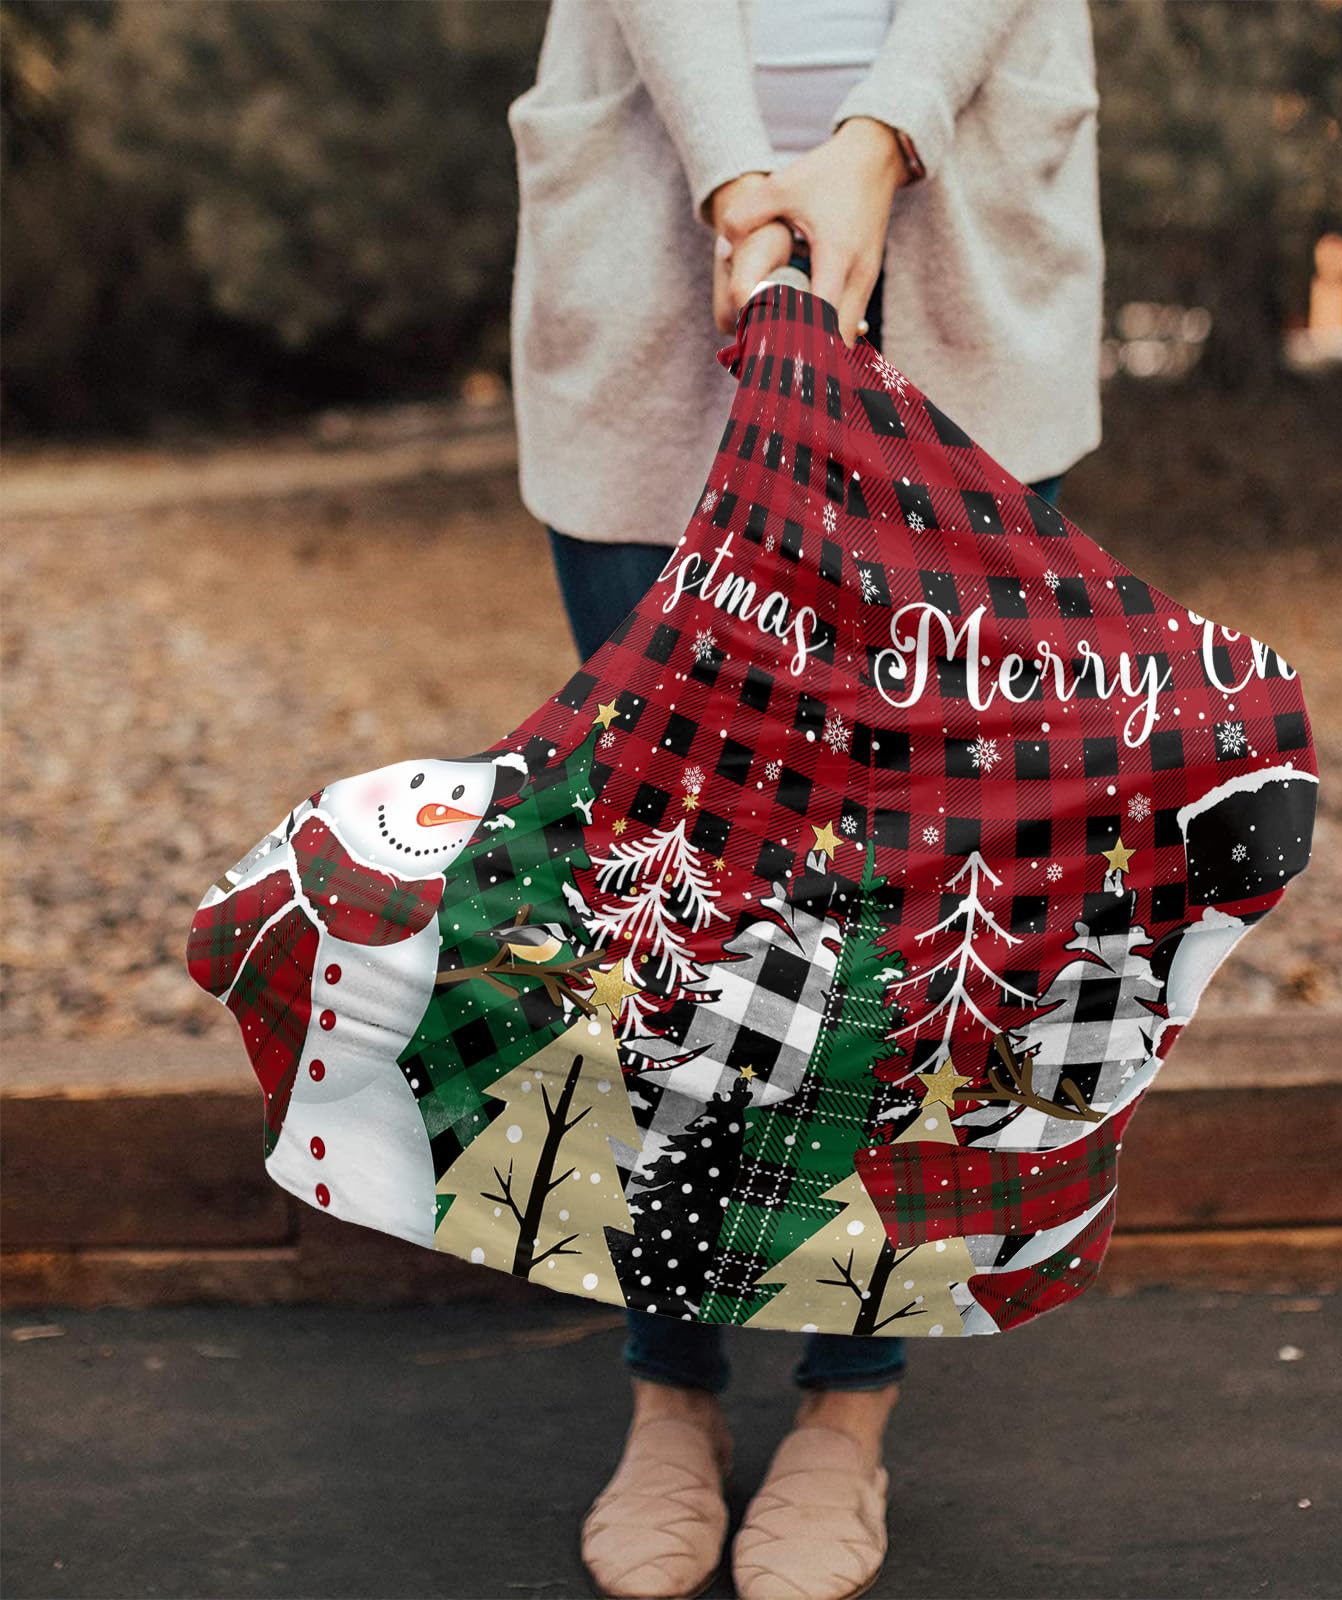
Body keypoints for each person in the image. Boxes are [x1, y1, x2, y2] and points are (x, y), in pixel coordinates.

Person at [505, 4, 1103, 1596]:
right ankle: (670, 1390)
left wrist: (877, 137)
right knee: (668, 879)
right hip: (658, 224)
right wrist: (734, 179)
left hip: (957, 232)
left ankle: (848, 1410)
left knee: (915, 895)